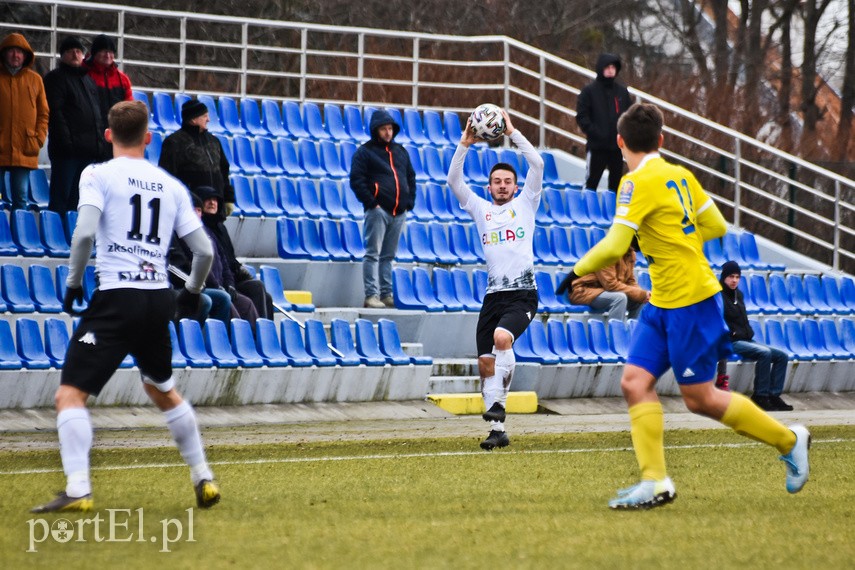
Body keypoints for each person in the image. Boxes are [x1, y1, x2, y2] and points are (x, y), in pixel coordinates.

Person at [556, 103, 810, 509]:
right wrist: (673, 239)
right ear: (661, 139)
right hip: (663, 300)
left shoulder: (634, 183)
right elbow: (716, 227)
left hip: (691, 301)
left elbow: (617, 244)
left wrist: (575, 271)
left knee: (701, 399)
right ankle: (655, 481)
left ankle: (789, 439)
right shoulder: (681, 175)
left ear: (620, 142)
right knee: (634, 382)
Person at [31, 100, 220, 513]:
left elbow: (82, 236)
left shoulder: (97, 174)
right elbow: (203, 250)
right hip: (157, 298)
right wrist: (190, 291)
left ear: (108, 135)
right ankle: (203, 475)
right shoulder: (170, 185)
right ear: (148, 138)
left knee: (69, 395)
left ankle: (78, 488)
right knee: (162, 389)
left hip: (117, 295)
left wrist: (73, 282)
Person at [447, 108, 544, 451]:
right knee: (485, 362)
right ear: (489, 187)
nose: (503, 186)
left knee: (503, 338)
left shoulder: (526, 203)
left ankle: (500, 404)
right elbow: (454, 182)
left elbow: (538, 164)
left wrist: (513, 132)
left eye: (508, 182)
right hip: (493, 296)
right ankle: (497, 429)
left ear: (516, 186)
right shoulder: (480, 209)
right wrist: (465, 144)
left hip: (523, 294)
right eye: (497, 182)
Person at [349, 109, 416, 309]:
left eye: (390, 129)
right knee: (372, 254)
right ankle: (371, 295)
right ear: (375, 130)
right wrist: (372, 203)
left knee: (388, 256)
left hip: (399, 212)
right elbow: (356, 180)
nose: (387, 133)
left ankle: (386, 294)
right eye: (383, 129)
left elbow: (410, 177)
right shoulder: (365, 152)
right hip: (378, 211)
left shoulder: (400, 151)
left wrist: (408, 202)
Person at [44, 35, 111, 214]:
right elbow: (56, 114)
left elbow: (97, 115)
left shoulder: (88, 80)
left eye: (78, 51)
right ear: (62, 56)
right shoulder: (55, 78)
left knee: (78, 201)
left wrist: (100, 146)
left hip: (88, 153)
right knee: (61, 200)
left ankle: (71, 240)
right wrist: (67, 143)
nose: (75, 54)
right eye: (70, 51)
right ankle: (57, 237)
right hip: (67, 153)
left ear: (83, 55)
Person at [717, 260, 793, 411]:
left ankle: (773, 395)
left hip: (745, 339)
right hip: (730, 341)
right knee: (764, 353)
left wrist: (746, 332)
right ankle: (760, 396)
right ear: (724, 277)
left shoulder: (739, 295)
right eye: (731, 276)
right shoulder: (718, 296)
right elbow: (717, 321)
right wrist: (731, 332)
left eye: (737, 277)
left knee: (782, 356)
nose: (734, 280)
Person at [195, 181, 273, 321]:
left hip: (230, 279)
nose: (212, 203)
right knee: (244, 298)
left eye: (215, 200)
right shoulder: (198, 230)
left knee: (262, 293)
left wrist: (233, 279)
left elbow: (227, 260)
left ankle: (264, 335)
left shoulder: (220, 228)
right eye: (207, 200)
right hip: (215, 284)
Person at [159, 98, 236, 216]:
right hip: (191, 211)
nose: (209, 119)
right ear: (194, 119)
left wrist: (228, 198)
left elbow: (224, 172)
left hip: (215, 210)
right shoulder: (174, 142)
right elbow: (168, 178)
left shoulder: (214, 141)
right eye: (205, 116)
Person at [167, 191, 233, 328]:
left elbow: (226, 262)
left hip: (197, 285)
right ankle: (191, 340)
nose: (196, 214)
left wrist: (229, 283)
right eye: (193, 210)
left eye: (199, 210)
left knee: (224, 298)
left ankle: (219, 342)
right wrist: (196, 285)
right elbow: (174, 266)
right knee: (205, 300)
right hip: (176, 286)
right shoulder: (174, 232)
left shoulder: (208, 233)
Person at [0, 32, 49, 211]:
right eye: (11, 51)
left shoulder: (35, 80)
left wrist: (38, 140)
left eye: (19, 52)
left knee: (20, 198)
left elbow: (44, 113)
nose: (15, 55)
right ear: (4, 53)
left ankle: (18, 237)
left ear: (25, 55)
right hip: (1, 145)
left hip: (25, 148)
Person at [575, 53, 632, 192]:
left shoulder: (622, 92)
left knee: (616, 185)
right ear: (601, 68)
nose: (610, 70)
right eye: (607, 67)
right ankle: (587, 212)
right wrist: (595, 132)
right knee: (591, 183)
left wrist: (624, 136)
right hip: (597, 147)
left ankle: (613, 213)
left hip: (617, 147)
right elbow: (582, 116)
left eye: (613, 67)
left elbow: (629, 116)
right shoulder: (589, 91)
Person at [569, 245, 649, 320]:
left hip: (603, 290)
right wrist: (641, 294)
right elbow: (610, 285)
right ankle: (616, 333)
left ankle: (633, 333)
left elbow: (630, 281)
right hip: (584, 290)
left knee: (639, 300)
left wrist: (643, 295)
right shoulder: (606, 252)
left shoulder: (630, 253)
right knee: (620, 298)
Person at [84, 34, 132, 134]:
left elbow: (129, 107)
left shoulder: (122, 79)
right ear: (94, 53)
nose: (107, 55)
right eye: (103, 51)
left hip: (116, 132)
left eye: (110, 52)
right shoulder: (83, 75)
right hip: (90, 132)